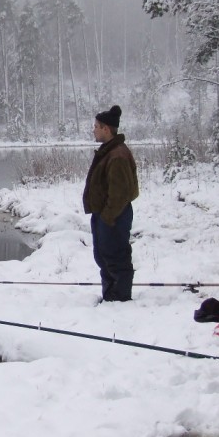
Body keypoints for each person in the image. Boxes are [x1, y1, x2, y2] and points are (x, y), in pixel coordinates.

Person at [82, 105, 139, 302]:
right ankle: (111, 296)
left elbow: (120, 194)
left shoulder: (118, 155)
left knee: (115, 257)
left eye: (96, 126)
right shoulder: (110, 151)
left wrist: (107, 217)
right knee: (103, 256)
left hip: (115, 216)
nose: (93, 130)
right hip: (105, 215)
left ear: (106, 128)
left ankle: (120, 298)